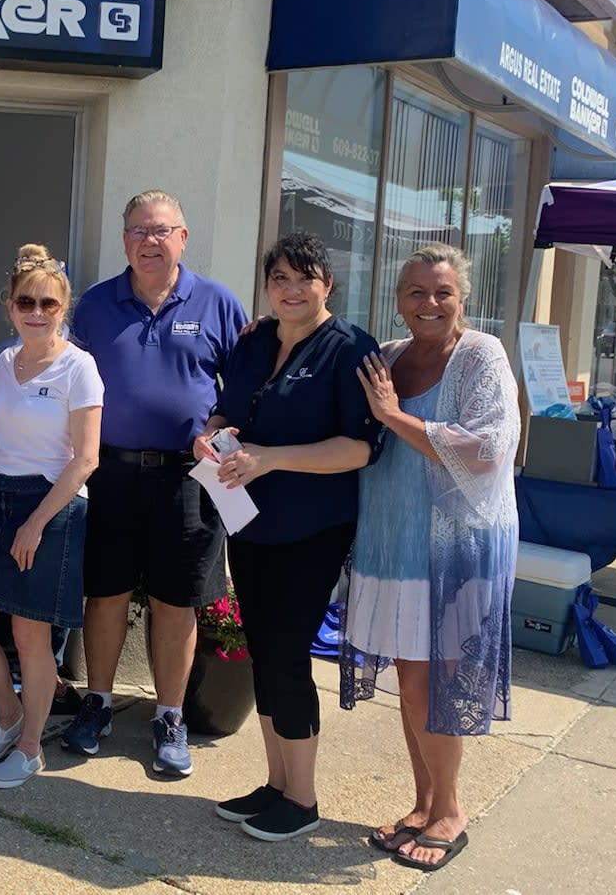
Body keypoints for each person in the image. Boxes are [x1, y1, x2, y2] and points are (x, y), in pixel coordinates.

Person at [197, 231, 382, 841]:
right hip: (249, 519)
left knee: (287, 654)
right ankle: (276, 783)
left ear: (327, 283)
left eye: (304, 278)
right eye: (280, 278)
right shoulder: (256, 342)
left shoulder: (350, 349)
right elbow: (229, 412)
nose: (292, 289)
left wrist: (270, 458)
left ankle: (302, 799)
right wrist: (213, 433)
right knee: (264, 652)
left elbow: (357, 449)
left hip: (311, 528)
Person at [343, 244, 519, 872]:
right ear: (398, 299)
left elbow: (487, 450)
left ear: (462, 296)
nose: (430, 304)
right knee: (411, 682)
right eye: (416, 292)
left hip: (454, 545)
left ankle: (449, 811)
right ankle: (423, 803)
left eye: (442, 291)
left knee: (431, 681)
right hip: (392, 543)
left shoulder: (481, 355)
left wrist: (392, 417)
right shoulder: (388, 357)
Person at [61, 190, 246, 777]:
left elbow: (243, 387)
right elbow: (67, 382)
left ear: (182, 238)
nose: (149, 241)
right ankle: (99, 702)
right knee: (106, 594)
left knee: (176, 601)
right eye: (139, 231)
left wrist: (219, 429)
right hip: (109, 472)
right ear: (124, 240)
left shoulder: (217, 303)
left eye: (161, 231)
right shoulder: (93, 305)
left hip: (189, 480)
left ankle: (170, 715)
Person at [0, 246, 103, 788]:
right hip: (0, 501)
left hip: (52, 505)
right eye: (25, 302)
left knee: (31, 638)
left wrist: (37, 521)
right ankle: (9, 715)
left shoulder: (78, 367)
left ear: (64, 308)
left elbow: (86, 457)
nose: (36, 311)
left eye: (48, 303)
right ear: (10, 306)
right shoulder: (5, 360)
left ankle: (32, 745)